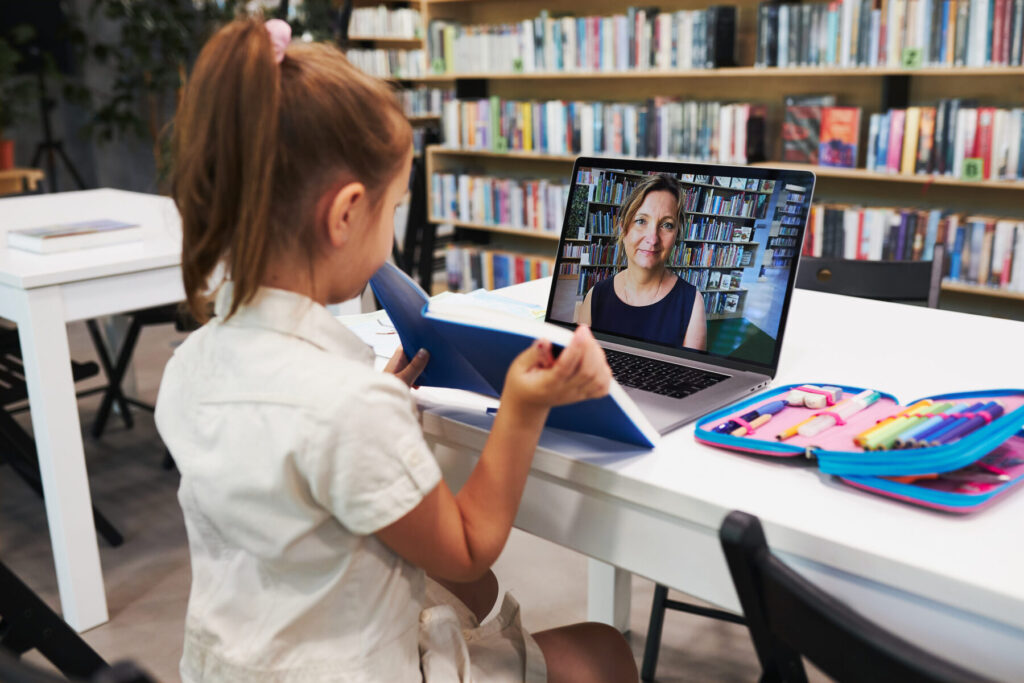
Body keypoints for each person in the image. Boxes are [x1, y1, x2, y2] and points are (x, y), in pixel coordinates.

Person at [155, 17, 640, 683]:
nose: (391, 234)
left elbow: (285, 466)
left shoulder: (188, 365)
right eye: (394, 210)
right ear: (346, 213)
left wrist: (371, 404)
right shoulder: (350, 408)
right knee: (604, 652)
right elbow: (468, 547)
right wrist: (522, 408)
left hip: (234, 665)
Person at [577, 174, 707, 351]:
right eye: (641, 221)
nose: (653, 239)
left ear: (676, 234)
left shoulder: (692, 303)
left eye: (667, 225)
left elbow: (692, 378)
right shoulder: (595, 296)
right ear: (624, 229)